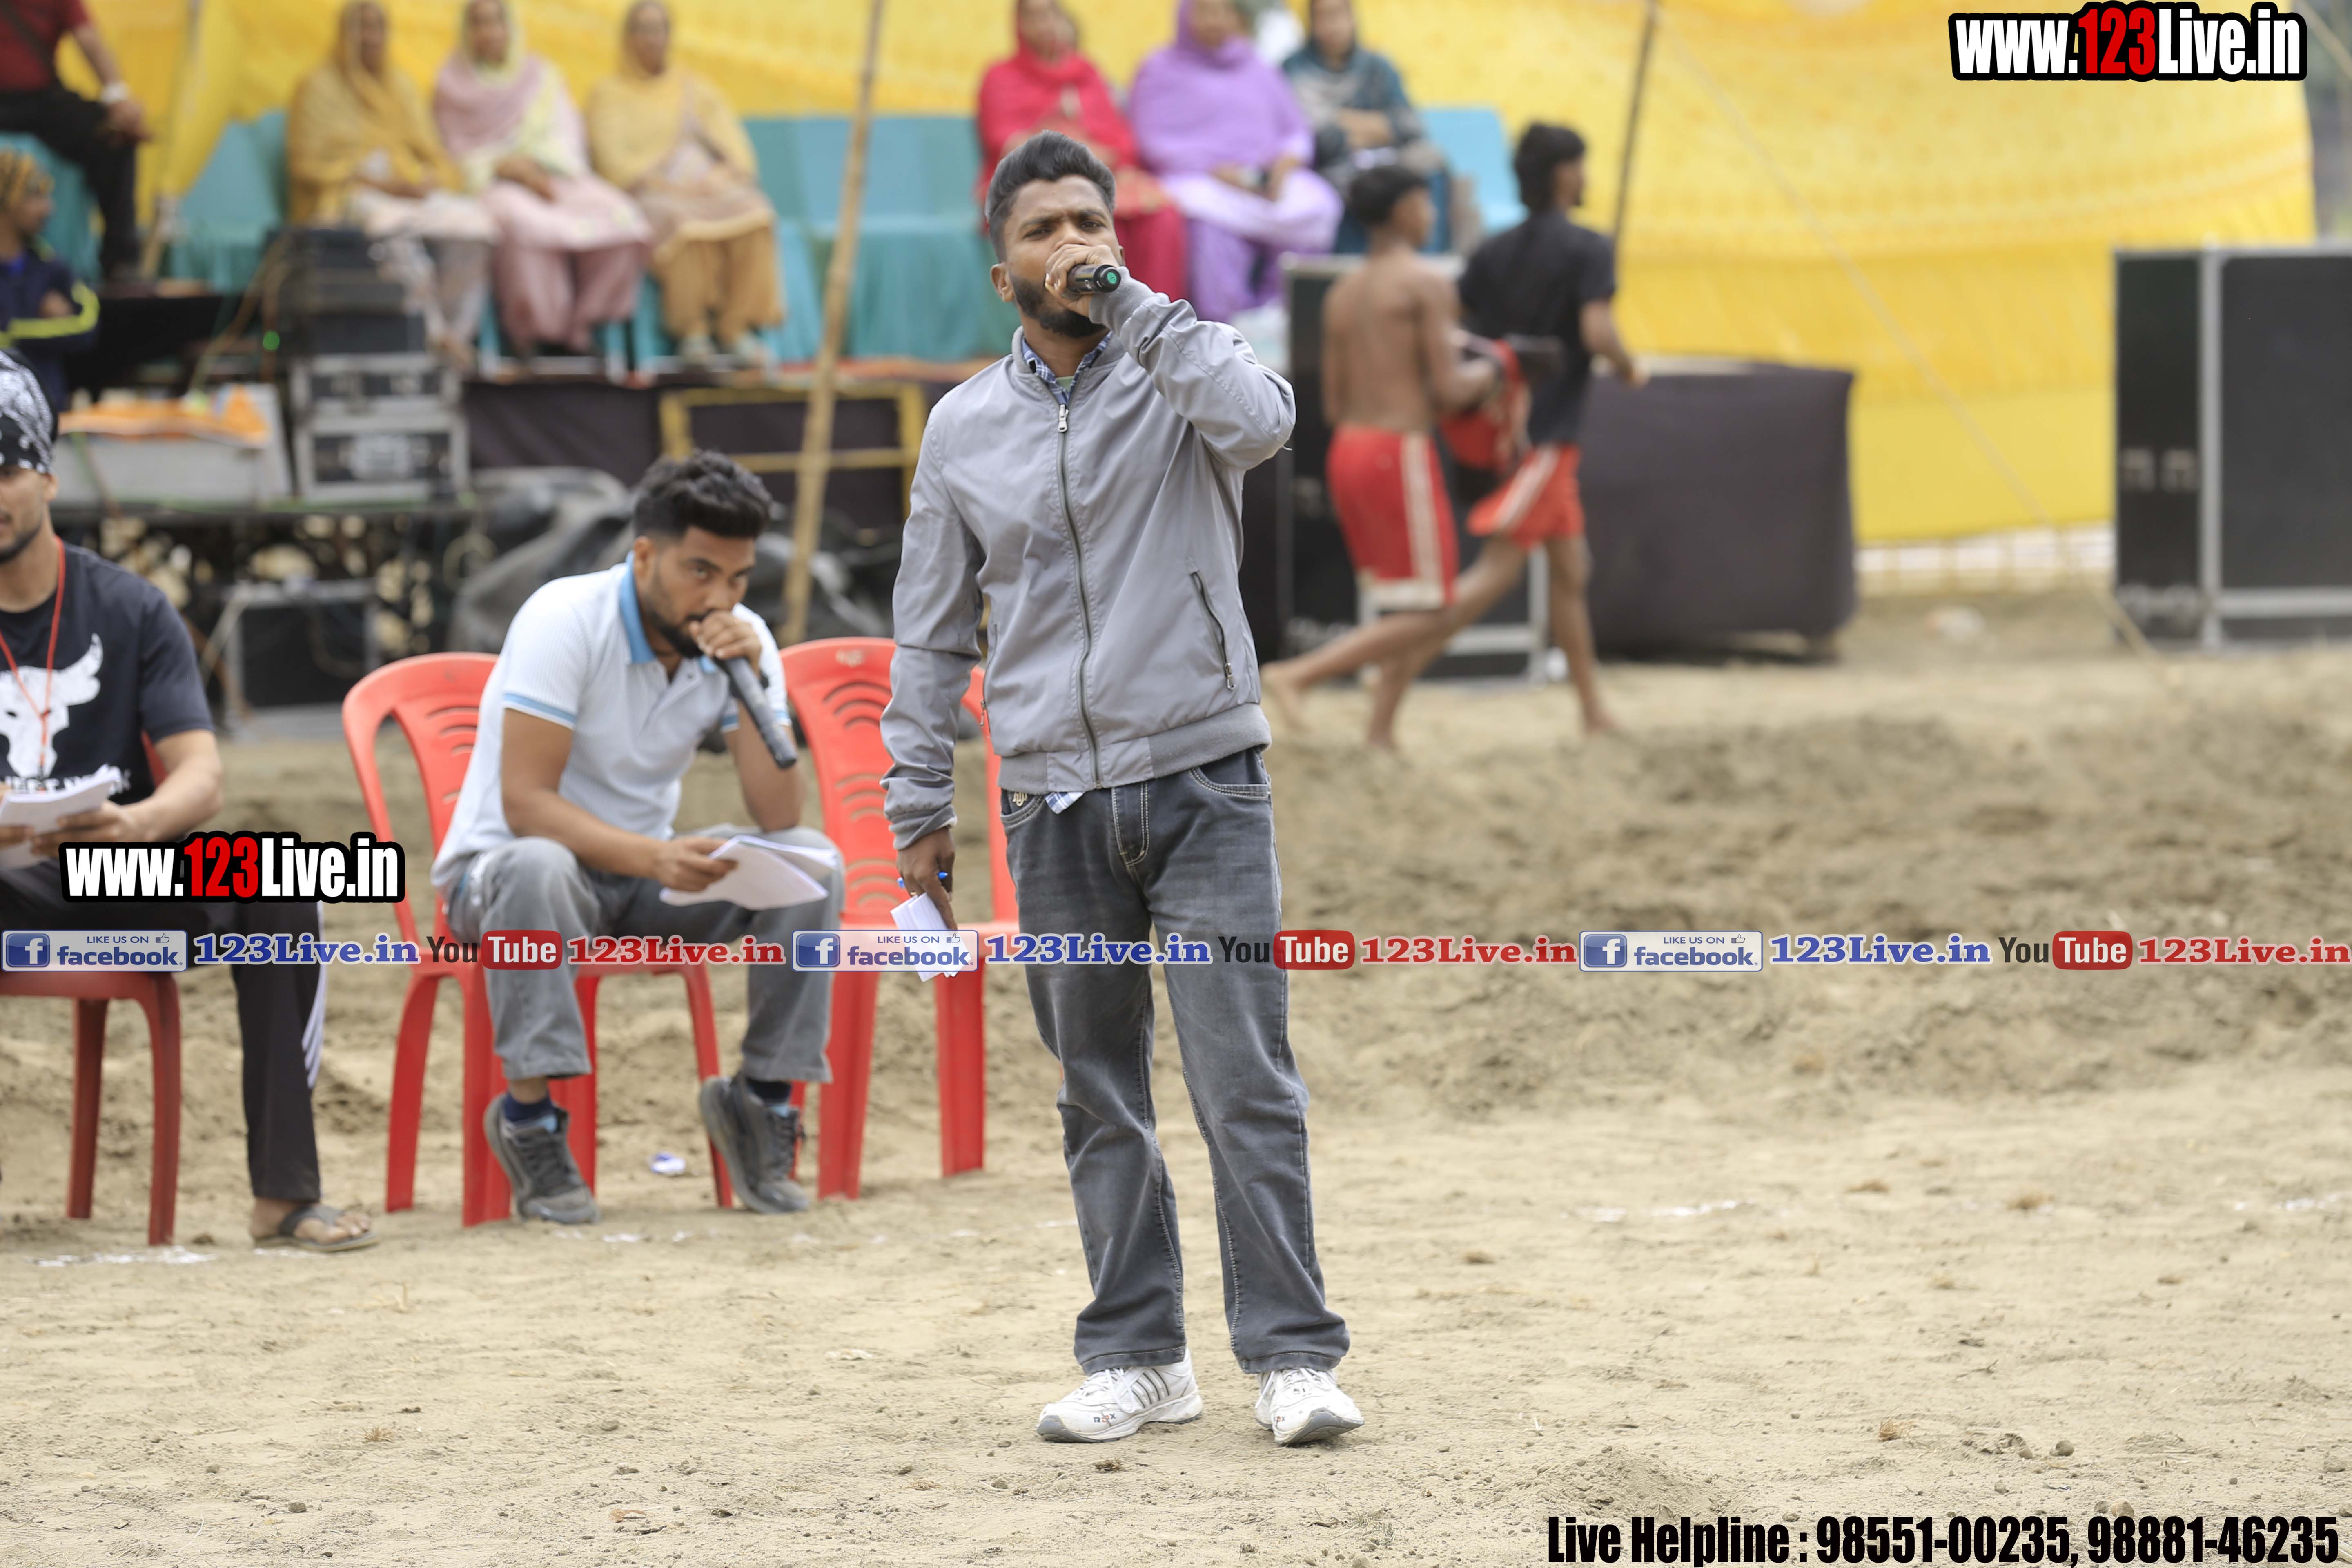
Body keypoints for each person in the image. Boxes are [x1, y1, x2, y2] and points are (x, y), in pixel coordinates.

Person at [881, 131, 1361, 1449]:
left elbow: (1266, 424)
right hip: (1049, 804)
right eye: (1043, 230)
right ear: (1002, 273)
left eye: (1091, 222)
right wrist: (916, 806)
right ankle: (1141, 1359)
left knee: (1244, 1082)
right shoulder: (961, 430)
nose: (1073, 246)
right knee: (1097, 1090)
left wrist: (1139, 310)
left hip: (1206, 778)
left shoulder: (1185, 365)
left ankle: (1293, 1359)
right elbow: (930, 635)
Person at [0, 351, 373, 1253]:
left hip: (110, 866)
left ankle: (286, 1194)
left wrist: (135, 824)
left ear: (47, 476)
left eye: (4, 470)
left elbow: (200, 772)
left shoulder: (129, 609)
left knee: (281, 878)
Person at [430, 451, 842, 1225]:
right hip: (504, 881)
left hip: (640, 879)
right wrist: (657, 857)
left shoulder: (743, 640)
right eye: (700, 572)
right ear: (644, 556)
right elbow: (526, 805)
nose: (720, 598)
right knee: (539, 865)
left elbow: (779, 812)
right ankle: (529, 1119)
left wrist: (757, 692)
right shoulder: (563, 616)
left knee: (813, 863)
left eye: (738, 578)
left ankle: (761, 1101)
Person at [1257, 165, 1501, 750]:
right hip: (1398, 451)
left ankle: (1381, 730)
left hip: (1349, 449)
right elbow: (1451, 390)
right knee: (1434, 608)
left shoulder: (1343, 293)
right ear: (1404, 209)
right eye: (1425, 201)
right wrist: (1501, 368)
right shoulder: (1426, 283)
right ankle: (1298, 676)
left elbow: (1332, 403)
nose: (1431, 213)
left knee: (1404, 604)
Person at [433, 0, 648, 361]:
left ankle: (582, 328)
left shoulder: (541, 76)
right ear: (466, 31)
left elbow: (567, 136)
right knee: (523, 226)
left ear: (511, 27)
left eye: (496, 22)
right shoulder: (452, 84)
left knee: (624, 219)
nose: (489, 32)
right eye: (479, 23)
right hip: (493, 182)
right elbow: (452, 154)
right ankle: (535, 335)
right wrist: (504, 166)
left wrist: (537, 165)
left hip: (553, 174)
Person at [287, 0, 497, 366]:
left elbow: (435, 155)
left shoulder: (402, 87)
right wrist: (378, 183)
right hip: (348, 194)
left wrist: (427, 181)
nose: (370, 37)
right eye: (360, 27)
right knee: (390, 224)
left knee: (476, 225)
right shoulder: (318, 87)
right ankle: (429, 334)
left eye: (377, 28)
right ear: (343, 33)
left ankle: (455, 336)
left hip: (407, 192)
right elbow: (307, 165)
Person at [586, 0, 782, 368]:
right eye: (643, 30)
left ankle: (736, 329)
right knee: (682, 223)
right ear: (628, 37)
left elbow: (740, 155)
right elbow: (613, 166)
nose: (652, 39)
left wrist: (718, 178)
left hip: (709, 187)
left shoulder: (695, 89)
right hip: (651, 192)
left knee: (756, 214)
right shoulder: (608, 94)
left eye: (659, 29)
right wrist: (666, 181)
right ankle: (693, 332)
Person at [1129, 0, 1341, 325]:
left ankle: (1281, 315)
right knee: (1210, 227)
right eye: (1205, 11)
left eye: (1224, 11)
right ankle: (1225, 325)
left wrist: (1284, 166)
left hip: (1263, 178)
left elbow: (1295, 131)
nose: (1216, 20)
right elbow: (1155, 142)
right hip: (1202, 181)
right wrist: (1218, 170)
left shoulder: (1256, 65)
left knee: (1318, 206)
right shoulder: (1161, 69)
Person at [976, 0, 1186, 301]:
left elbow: (1122, 143)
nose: (1045, 25)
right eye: (1033, 17)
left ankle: (1155, 312)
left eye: (1051, 15)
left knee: (1163, 217)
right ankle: (1103, 318)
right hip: (1034, 181)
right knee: (1097, 221)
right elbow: (1004, 144)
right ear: (1019, 25)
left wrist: (1099, 155)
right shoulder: (1001, 77)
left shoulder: (1087, 75)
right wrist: (1072, 144)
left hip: (1101, 175)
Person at [0, 0, 147, 281]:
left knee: (113, 138)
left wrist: (117, 97)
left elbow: (89, 41)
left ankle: (121, 261)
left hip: (41, 99)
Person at [1281, 0, 1443, 203]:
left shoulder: (1377, 66)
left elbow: (1411, 124)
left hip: (1392, 159)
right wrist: (1377, 126)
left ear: (1352, 18)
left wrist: (1349, 122)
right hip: (1335, 170)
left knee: (1432, 165)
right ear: (1311, 23)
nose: (1333, 25)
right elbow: (1319, 137)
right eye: (1324, 16)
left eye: (1339, 14)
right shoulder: (1296, 71)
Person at [0, 147, 95, 417]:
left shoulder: (51, 266)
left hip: (47, 414)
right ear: (7, 199)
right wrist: (44, 328)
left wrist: (12, 332)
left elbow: (87, 324)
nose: (48, 208)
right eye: (36, 196)